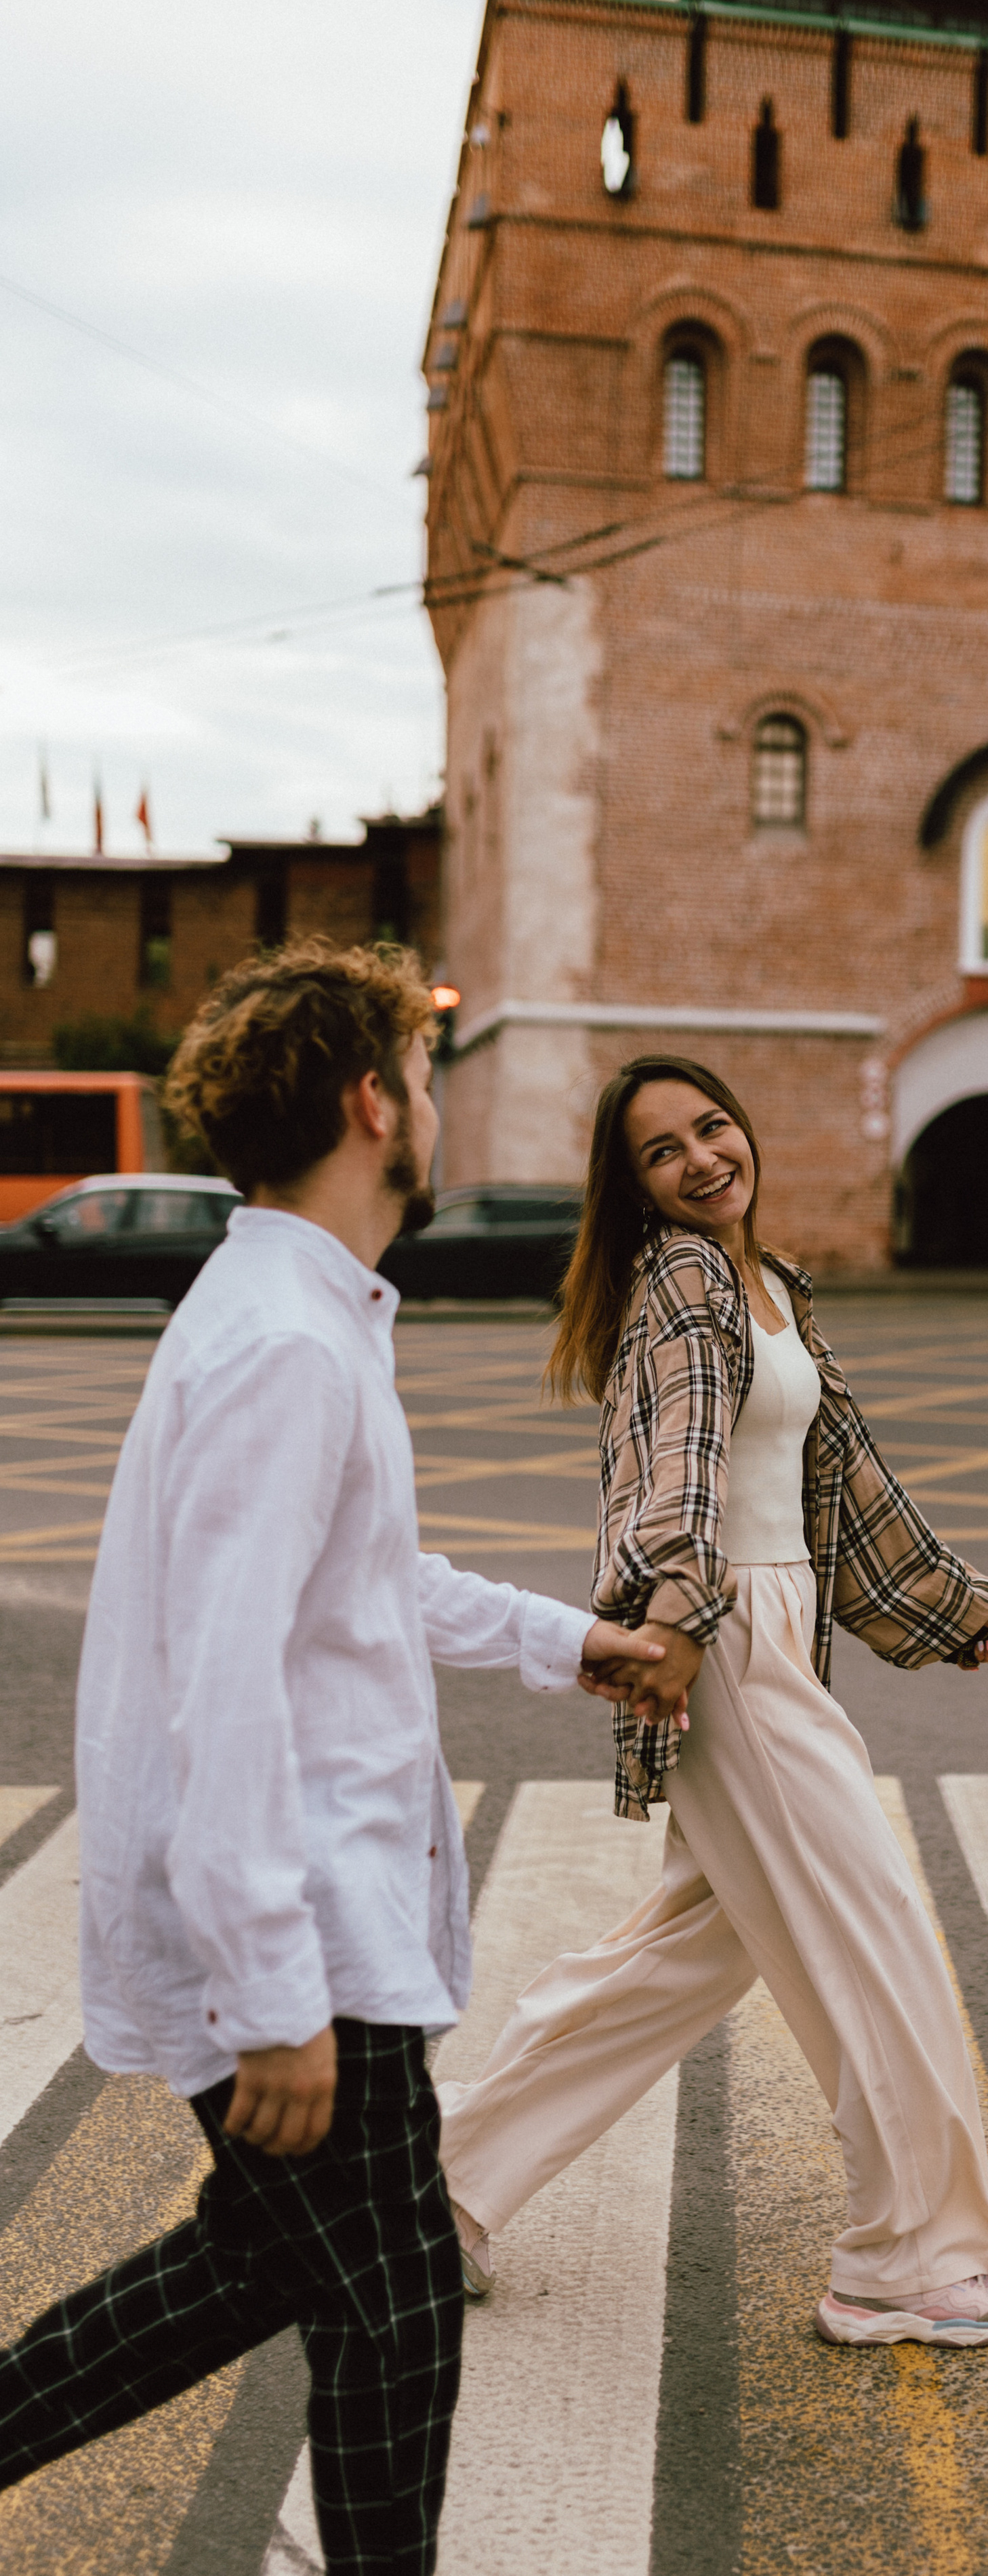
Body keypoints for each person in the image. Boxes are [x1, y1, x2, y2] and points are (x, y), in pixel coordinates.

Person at [0, 943, 667, 2576]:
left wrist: (569, 1642)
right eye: (424, 1078)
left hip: (310, 1915)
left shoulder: (302, 1313)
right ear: (374, 1099)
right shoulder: (286, 1346)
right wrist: (272, 1988)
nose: (432, 1105)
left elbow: (356, 1590)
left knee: (273, 2266)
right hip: (301, 1929)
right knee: (397, 2302)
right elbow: (217, 1682)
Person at [437, 1055, 988, 2350]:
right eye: (664, 1150)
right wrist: (680, 1619)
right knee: (871, 1948)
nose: (704, 1158)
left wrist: (946, 1603)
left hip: (764, 1633)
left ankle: (440, 2195)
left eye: (713, 1127)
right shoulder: (687, 1281)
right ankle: (904, 2259)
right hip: (730, 1644)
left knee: (677, 1961)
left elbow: (845, 1479)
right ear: (634, 1187)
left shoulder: (769, 1284)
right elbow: (685, 1469)